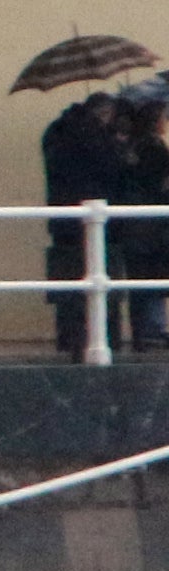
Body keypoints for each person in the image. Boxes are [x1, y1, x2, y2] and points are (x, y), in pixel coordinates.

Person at [46, 82, 134, 360]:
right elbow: (112, 169)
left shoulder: (56, 131)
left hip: (63, 220)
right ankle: (102, 339)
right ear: (104, 112)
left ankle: (71, 339)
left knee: (71, 284)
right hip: (100, 224)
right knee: (100, 282)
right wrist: (122, 148)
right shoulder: (96, 137)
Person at [112, 79, 169, 360]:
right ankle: (150, 330)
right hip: (151, 228)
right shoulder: (153, 149)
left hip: (133, 226)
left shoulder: (129, 148)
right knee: (152, 277)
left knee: (139, 279)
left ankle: (143, 332)